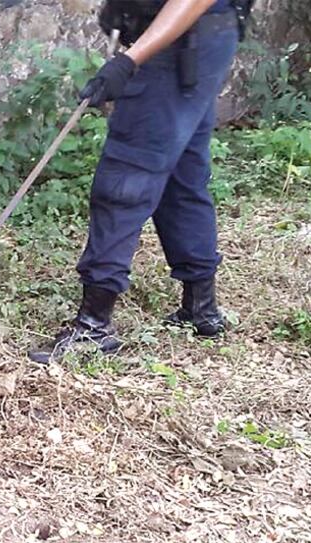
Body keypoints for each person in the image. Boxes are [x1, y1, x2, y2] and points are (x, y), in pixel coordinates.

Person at [29, 0, 243, 364]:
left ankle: (93, 327)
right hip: (205, 36)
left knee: (124, 180)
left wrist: (131, 59)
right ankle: (201, 308)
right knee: (181, 176)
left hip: (180, 41)